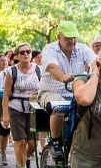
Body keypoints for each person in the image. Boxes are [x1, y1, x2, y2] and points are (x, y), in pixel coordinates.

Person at [39, 21, 95, 159]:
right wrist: (63, 77)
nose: (72, 41)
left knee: (94, 108)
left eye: (74, 37)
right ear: (59, 37)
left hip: (75, 93)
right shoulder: (49, 49)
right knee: (60, 106)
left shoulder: (82, 49)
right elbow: (52, 67)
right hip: (51, 92)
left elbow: (95, 61)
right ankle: (55, 142)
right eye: (68, 38)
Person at [2, 43, 41, 168]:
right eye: (22, 52)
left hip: (33, 108)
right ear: (17, 55)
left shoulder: (38, 70)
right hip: (16, 108)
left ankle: (27, 159)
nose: (25, 54)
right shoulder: (12, 72)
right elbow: (6, 95)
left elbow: (43, 90)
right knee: (20, 141)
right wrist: (5, 115)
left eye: (28, 51)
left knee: (32, 143)